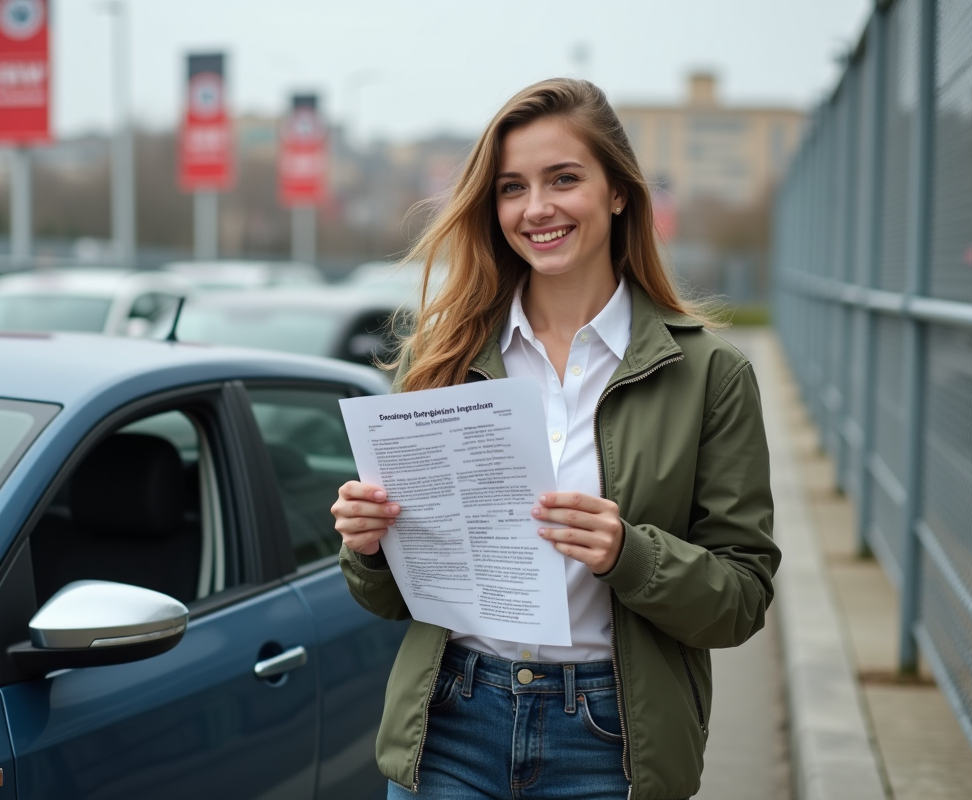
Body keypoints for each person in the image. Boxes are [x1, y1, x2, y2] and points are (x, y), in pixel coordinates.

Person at [331, 78, 779, 800]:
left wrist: (629, 555)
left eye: (563, 179)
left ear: (617, 192)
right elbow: (388, 601)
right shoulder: (442, 359)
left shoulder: (711, 375)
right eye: (512, 187)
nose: (536, 208)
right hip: (450, 722)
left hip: (608, 739)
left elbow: (743, 598)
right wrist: (368, 545)